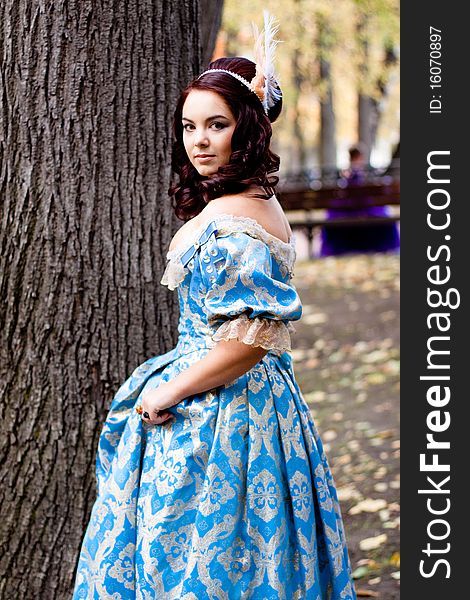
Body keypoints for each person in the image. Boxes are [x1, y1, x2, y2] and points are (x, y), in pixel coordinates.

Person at [73, 14, 356, 600]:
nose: (199, 141)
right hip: (255, 403)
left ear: (246, 130)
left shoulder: (235, 225)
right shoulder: (253, 201)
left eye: (217, 125)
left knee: (207, 562)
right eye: (189, 126)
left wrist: (168, 391)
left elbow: (249, 342)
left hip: (227, 413)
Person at [319, 145, 400, 257]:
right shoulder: (361, 175)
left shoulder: (347, 176)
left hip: (348, 212)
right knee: (384, 215)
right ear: (359, 158)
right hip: (362, 211)